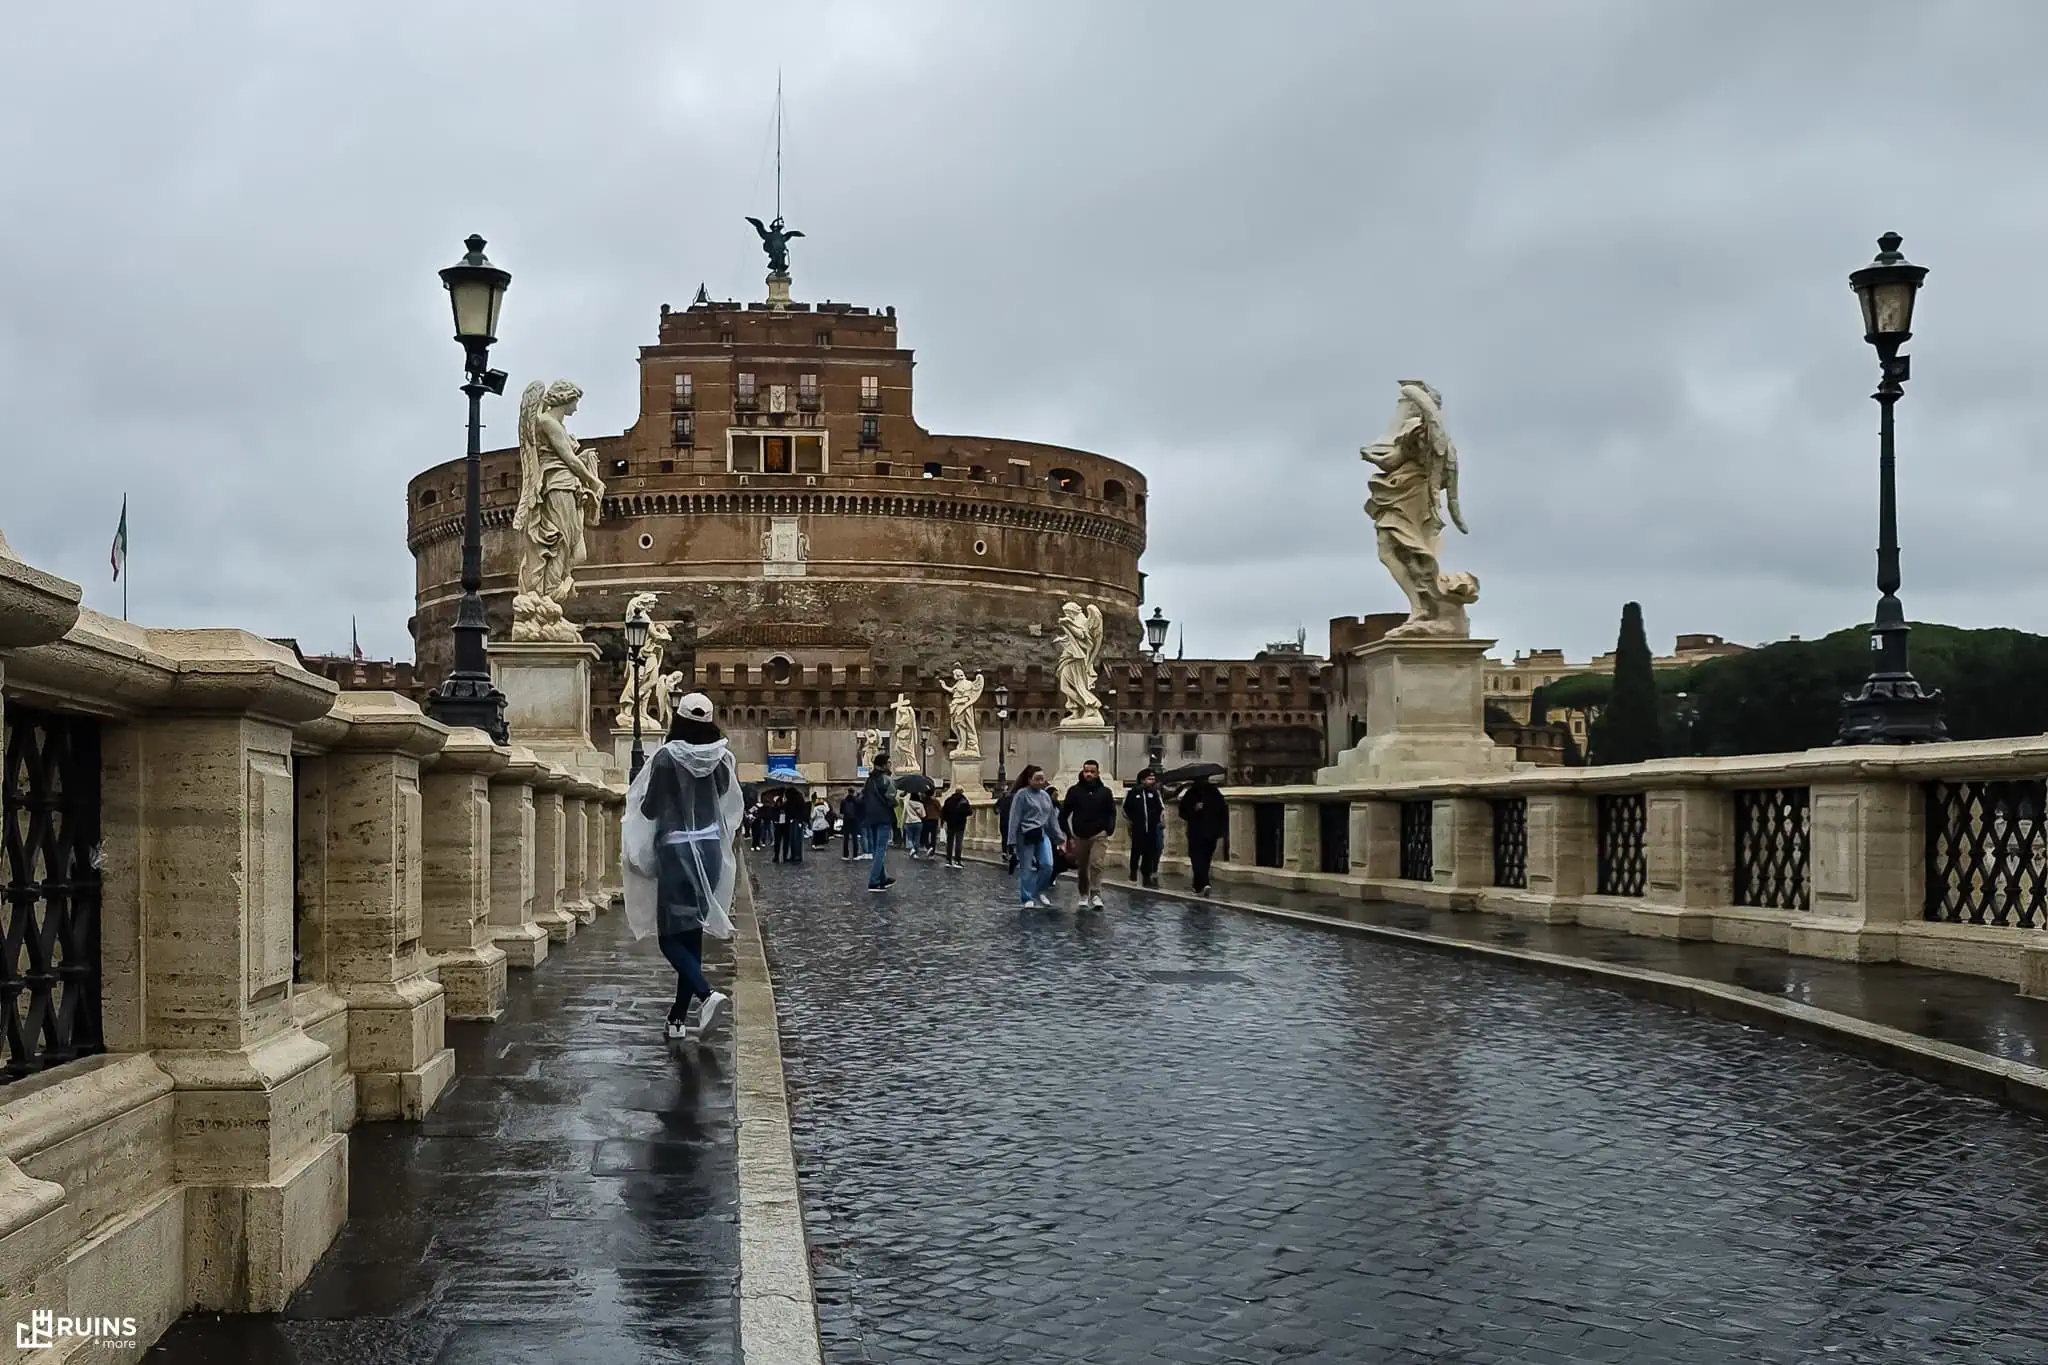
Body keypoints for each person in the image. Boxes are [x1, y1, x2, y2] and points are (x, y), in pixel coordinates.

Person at [621, 692, 742, 1043]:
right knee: (691, 932)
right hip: (710, 849)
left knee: (669, 938)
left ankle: (706, 994)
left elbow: (650, 808)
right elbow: (724, 797)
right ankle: (677, 1018)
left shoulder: (666, 757)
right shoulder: (722, 758)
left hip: (676, 850)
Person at [1059, 759, 1118, 910]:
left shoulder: (1105, 792)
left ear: (1098, 773)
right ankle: (1084, 894)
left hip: (1099, 834)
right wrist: (1069, 834)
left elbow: (1112, 812)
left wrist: (1108, 830)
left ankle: (1096, 894)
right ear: (1082, 772)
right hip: (1080, 834)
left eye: (1092, 772)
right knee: (1082, 866)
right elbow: (1063, 814)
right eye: (1086, 771)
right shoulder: (1074, 791)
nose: (1089, 774)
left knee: (1097, 862)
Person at [1006, 765, 1062, 907]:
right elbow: (1014, 818)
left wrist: (1059, 838)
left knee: (1048, 865)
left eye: (1042, 779)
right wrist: (1012, 841)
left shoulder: (1045, 796)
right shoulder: (1021, 794)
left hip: (1042, 833)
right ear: (1029, 780)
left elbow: (1051, 819)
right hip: (1025, 835)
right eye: (1037, 779)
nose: (1040, 782)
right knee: (1026, 868)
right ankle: (1027, 897)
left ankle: (1039, 891)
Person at [1179, 773, 1229, 895]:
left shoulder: (1200, 793)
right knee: (1202, 858)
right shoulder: (1207, 793)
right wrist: (1195, 809)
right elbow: (1183, 813)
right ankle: (1198, 886)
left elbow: (1183, 813)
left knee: (1199, 859)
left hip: (1203, 832)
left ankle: (1204, 883)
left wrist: (1193, 810)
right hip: (1203, 831)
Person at [858, 755, 899, 891]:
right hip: (884, 817)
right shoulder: (887, 780)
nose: (890, 765)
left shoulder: (869, 780)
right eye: (888, 763)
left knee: (876, 848)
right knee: (881, 849)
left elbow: (863, 797)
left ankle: (882, 878)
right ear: (883, 765)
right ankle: (874, 880)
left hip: (871, 817)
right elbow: (890, 798)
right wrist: (896, 801)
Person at [1124, 769, 1166, 889]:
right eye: (1149, 779)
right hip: (1138, 828)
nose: (1152, 781)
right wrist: (1133, 820)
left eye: (1153, 779)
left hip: (1151, 829)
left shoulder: (1154, 793)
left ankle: (1146, 877)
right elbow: (1126, 808)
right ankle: (1133, 874)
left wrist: (1156, 820)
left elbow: (1160, 808)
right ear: (1143, 780)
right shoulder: (1133, 792)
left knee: (1149, 853)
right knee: (1136, 851)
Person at [940, 785, 973, 867]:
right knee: (958, 843)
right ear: (962, 792)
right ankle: (957, 861)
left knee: (949, 843)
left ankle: (948, 860)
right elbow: (969, 812)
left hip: (950, 824)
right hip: (960, 825)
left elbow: (943, 812)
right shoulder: (964, 801)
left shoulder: (948, 800)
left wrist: (945, 821)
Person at [996, 782, 1018, 874]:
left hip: (1003, 821)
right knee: (1011, 837)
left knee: (1004, 837)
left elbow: (996, 810)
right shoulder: (1015, 799)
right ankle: (1011, 852)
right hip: (1012, 822)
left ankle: (1005, 852)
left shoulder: (1001, 799)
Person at [839, 788, 861, 860]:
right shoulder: (857, 801)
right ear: (853, 792)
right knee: (855, 838)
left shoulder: (843, 801)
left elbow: (841, 812)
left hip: (846, 820)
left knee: (846, 838)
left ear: (848, 792)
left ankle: (845, 855)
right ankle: (855, 855)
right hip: (854, 821)